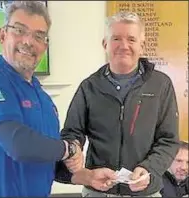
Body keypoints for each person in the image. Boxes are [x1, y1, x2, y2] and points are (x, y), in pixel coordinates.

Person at [0, 1, 117, 197]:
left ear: (45, 46)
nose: (28, 41)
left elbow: (47, 161)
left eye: (38, 36)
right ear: (2, 34)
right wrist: (69, 149)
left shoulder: (44, 100)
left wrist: (87, 176)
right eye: (19, 30)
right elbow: (19, 145)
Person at [60, 11, 180, 197]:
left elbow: (168, 140)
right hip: (99, 191)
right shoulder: (89, 86)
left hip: (145, 191)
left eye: (131, 39)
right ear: (105, 44)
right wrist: (74, 151)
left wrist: (148, 169)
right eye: (116, 38)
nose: (124, 46)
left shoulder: (161, 85)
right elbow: (71, 132)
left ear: (142, 46)